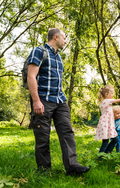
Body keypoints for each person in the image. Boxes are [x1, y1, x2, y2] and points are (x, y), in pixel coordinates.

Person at [27, 28, 89, 176]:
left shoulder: (59, 57)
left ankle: (72, 167)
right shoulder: (39, 51)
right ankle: (44, 171)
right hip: (43, 100)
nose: (65, 41)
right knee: (43, 137)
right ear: (56, 37)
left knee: (67, 132)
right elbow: (31, 76)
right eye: (64, 38)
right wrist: (36, 101)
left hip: (60, 101)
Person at [95, 85, 120, 154]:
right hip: (106, 125)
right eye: (112, 93)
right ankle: (101, 157)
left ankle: (106, 152)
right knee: (106, 142)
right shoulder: (107, 101)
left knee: (114, 139)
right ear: (106, 94)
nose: (113, 95)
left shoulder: (103, 102)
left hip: (106, 125)